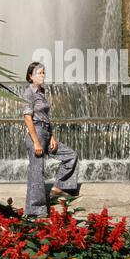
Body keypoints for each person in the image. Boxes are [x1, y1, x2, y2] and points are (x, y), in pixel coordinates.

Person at [23, 61, 79, 217]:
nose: (43, 75)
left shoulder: (42, 93)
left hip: (46, 133)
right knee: (37, 172)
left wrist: (52, 136)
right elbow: (28, 118)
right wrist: (36, 142)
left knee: (70, 155)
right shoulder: (29, 93)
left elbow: (45, 116)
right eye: (39, 73)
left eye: (43, 72)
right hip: (37, 133)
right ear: (30, 76)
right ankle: (36, 211)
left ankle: (59, 187)